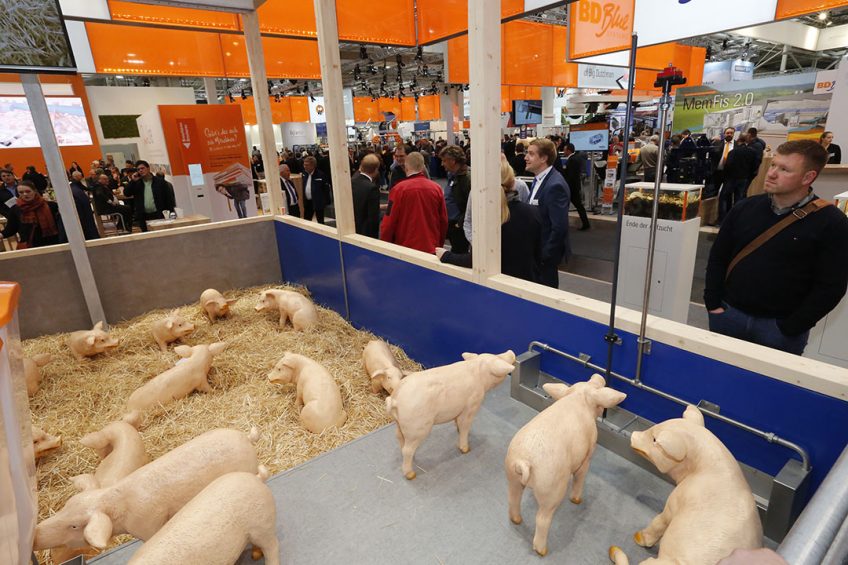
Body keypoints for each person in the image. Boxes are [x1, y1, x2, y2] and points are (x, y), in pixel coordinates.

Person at [704, 140, 848, 355]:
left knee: (768, 387)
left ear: (808, 177)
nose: (771, 173)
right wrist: (713, 304)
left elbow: (831, 285)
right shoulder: (745, 208)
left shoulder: (831, 222)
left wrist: (792, 327)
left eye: (784, 169)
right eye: (773, 165)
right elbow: (718, 258)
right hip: (728, 314)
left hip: (779, 329)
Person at [438, 158, 541, 283]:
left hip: (495, 285)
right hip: (525, 282)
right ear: (512, 181)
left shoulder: (486, 218)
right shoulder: (533, 213)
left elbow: (478, 259)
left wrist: (446, 256)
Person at [380, 152, 447, 253]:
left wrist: (385, 246)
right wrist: (439, 244)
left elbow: (389, 222)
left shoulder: (398, 189)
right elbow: (443, 220)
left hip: (405, 248)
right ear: (423, 166)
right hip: (431, 246)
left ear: (406, 167)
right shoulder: (437, 188)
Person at [526, 138, 571, 288]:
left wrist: (545, 256)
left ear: (544, 158)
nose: (526, 158)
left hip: (544, 258)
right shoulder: (538, 180)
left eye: (531, 154)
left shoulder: (554, 185)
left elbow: (559, 228)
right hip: (534, 254)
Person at [0, 180, 62, 249]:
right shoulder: (16, 209)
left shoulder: (52, 206)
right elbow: (11, 228)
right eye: (21, 192)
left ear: (34, 191)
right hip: (29, 246)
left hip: (54, 244)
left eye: (28, 191)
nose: (25, 194)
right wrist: (1, 235)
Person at [123, 160, 176, 232]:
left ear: (148, 168)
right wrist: (132, 181)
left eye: (142, 168)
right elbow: (126, 193)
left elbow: (169, 199)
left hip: (159, 214)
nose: (140, 170)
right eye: (138, 169)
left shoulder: (160, 182)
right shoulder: (137, 183)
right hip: (144, 216)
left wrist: (171, 214)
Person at [718, 133, 759, 223]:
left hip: (730, 178)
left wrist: (725, 176)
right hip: (743, 178)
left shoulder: (733, 152)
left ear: (739, 140)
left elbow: (728, 165)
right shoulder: (752, 152)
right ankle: (736, 220)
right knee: (739, 199)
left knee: (724, 198)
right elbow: (755, 166)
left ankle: (722, 220)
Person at [440, 145, 471, 254]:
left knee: (459, 253)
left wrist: (460, 223)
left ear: (452, 161)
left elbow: (471, 204)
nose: (442, 164)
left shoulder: (467, 178)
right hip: (452, 223)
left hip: (459, 226)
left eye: (444, 161)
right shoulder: (453, 175)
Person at [351, 153, 381, 238]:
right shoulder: (372, 188)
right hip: (366, 233)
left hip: (353, 228)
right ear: (376, 169)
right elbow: (373, 217)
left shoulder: (352, 180)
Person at [562, 143, 591, 231]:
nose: (563, 151)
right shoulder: (575, 158)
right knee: (577, 206)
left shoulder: (572, 160)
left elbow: (571, 176)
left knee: (577, 206)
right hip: (573, 187)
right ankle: (585, 223)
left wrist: (565, 186)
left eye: (565, 149)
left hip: (571, 188)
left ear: (569, 150)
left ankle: (585, 224)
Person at [68, 172, 100, 240]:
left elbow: (85, 188)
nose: (81, 177)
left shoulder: (75, 184)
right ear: (76, 177)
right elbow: (85, 188)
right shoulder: (76, 185)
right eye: (80, 176)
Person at [302, 156, 330, 224]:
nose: (304, 166)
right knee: (306, 221)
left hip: (318, 203)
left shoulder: (321, 175)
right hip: (308, 203)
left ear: (313, 165)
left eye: (307, 165)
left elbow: (326, 189)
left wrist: (324, 202)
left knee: (320, 221)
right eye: (304, 164)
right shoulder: (304, 174)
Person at [710, 127, 737, 199]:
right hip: (717, 171)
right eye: (727, 133)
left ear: (733, 134)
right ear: (724, 134)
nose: (729, 134)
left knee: (726, 194)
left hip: (729, 173)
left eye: (731, 133)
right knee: (713, 192)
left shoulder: (737, 145)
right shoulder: (717, 143)